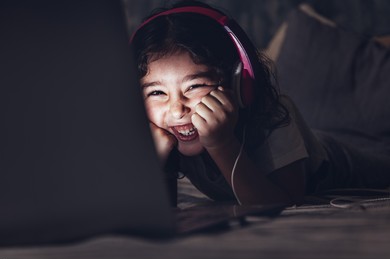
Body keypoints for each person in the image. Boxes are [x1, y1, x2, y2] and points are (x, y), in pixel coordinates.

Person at [131, 0, 390, 206]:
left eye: (195, 86)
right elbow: (161, 212)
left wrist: (221, 143)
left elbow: (282, 202)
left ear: (237, 82)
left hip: (340, 162)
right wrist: (155, 161)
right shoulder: (165, 130)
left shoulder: (273, 116)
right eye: (156, 93)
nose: (177, 109)